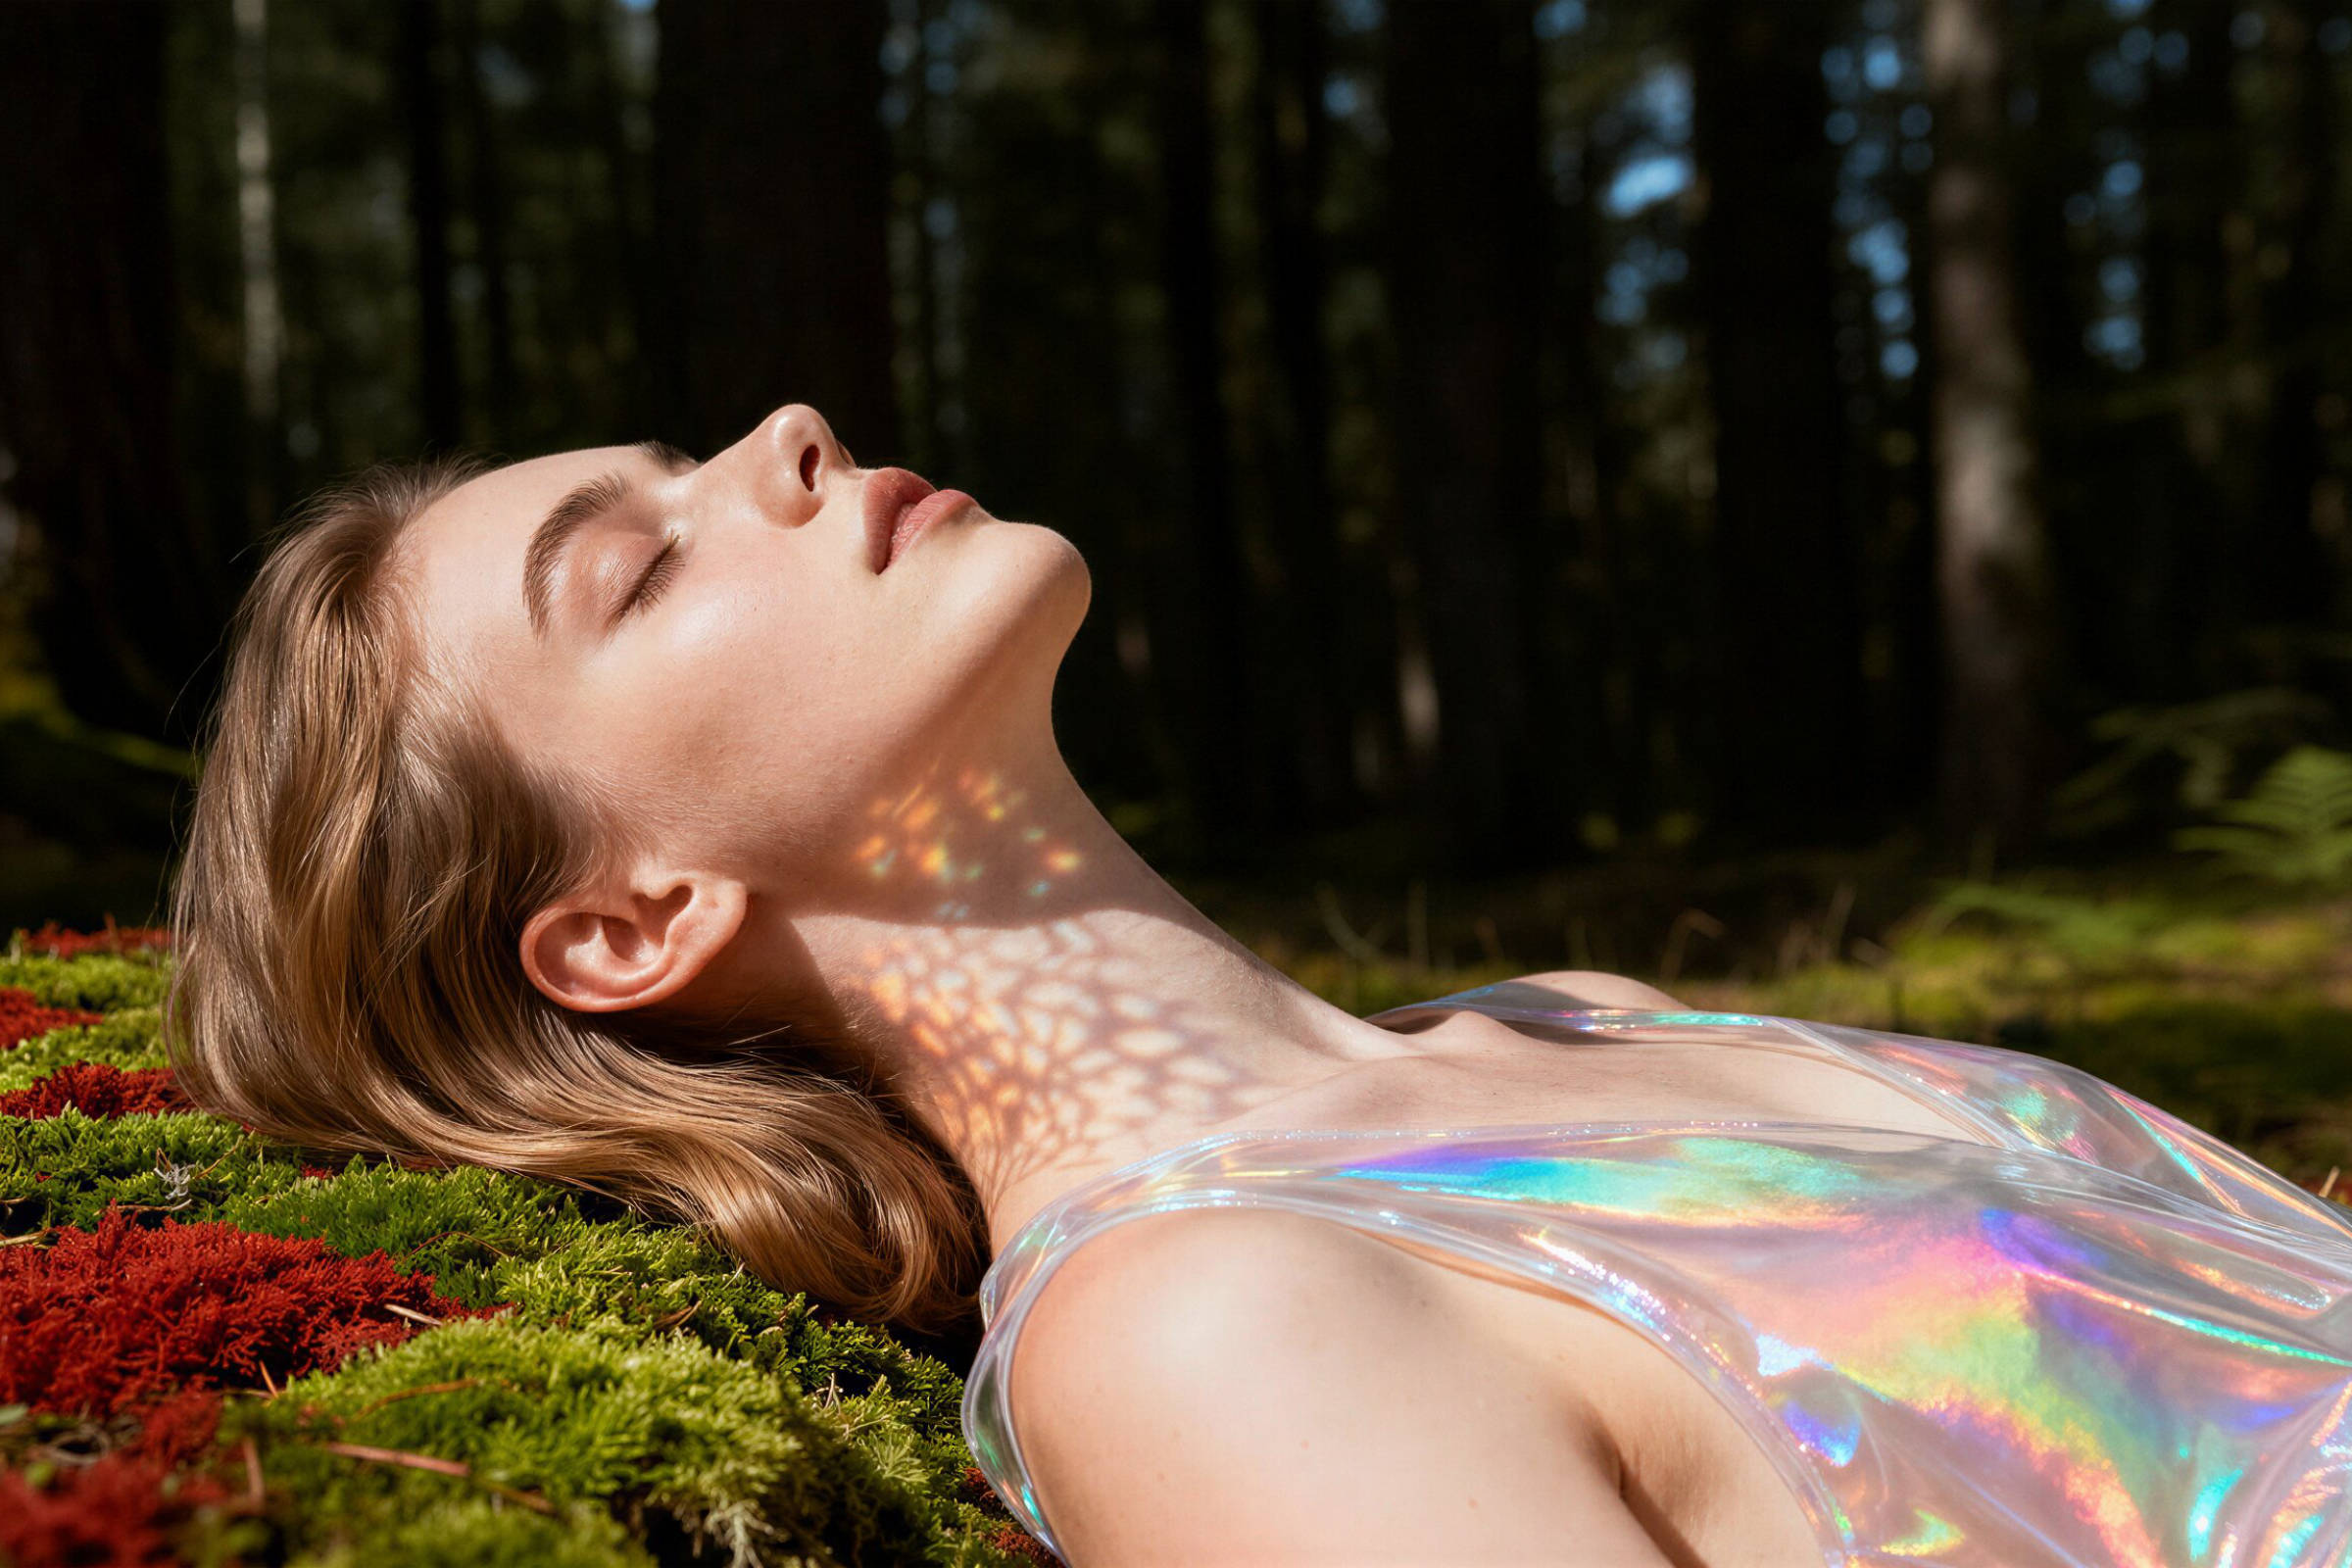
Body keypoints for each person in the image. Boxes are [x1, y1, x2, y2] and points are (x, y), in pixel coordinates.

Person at [168, 404, 2352, 1567]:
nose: (791, 432)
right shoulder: (1200, 1332)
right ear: (629, 929)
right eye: (643, 564)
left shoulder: (1580, 1011)